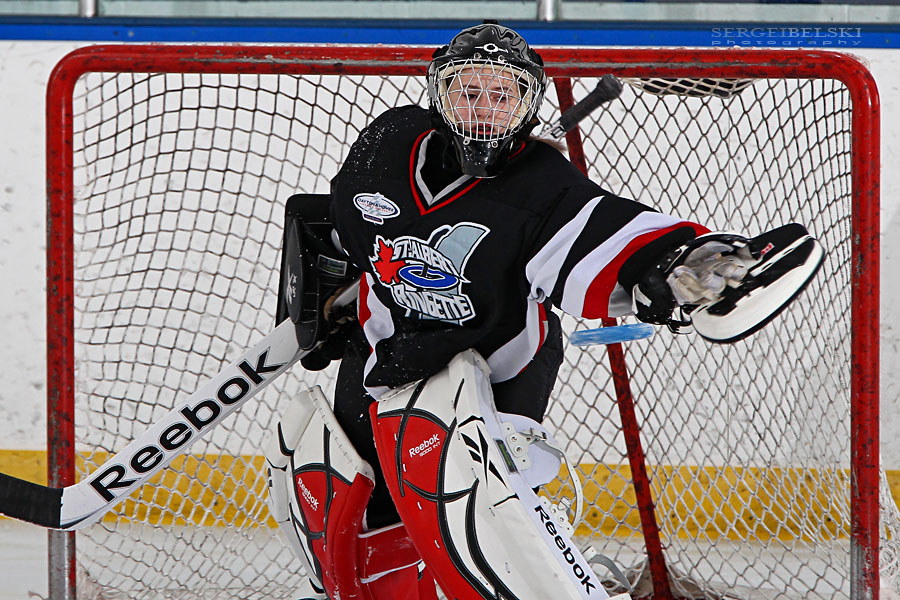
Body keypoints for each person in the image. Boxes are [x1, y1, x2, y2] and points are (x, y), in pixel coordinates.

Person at [265, 22, 816, 600]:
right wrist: (331, 296)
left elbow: (610, 235)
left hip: (494, 366)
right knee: (354, 489)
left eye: (502, 97)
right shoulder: (389, 140)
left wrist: (683, 265)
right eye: (468, 92)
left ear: (528, 105)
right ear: (438, 93)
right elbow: (349, 226)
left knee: (483, 513)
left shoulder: (544, 185)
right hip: (385, 343)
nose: (482, 111)